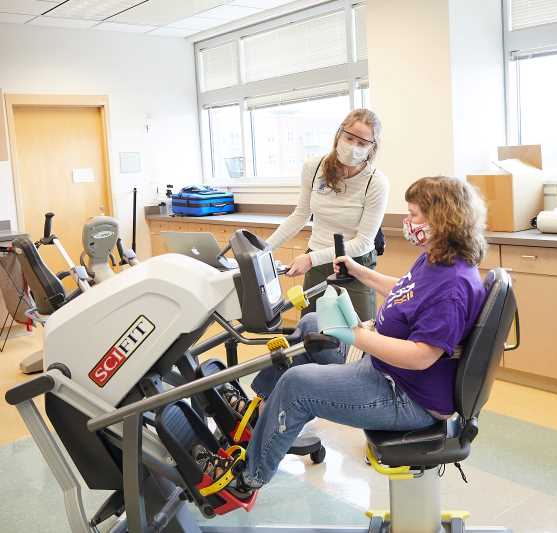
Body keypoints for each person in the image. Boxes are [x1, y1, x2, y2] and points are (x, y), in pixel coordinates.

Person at [194, 176, 489, 494]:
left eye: (414, 214)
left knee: (297, 385)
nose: (407, 221)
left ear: (442, 219)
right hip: (388, 372)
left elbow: (420, 357)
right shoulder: (437, 259)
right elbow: (405, 289)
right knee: (311, 324)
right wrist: (359, 271)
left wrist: (355, 336)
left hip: (407, 397)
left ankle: (247, 478)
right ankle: (260, 415)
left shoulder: (453, 286)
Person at [266, 108, 389, 323]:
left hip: (355, 265)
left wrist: (310, 259)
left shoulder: (376, 182)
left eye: (362, 143)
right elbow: (301, 214)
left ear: (372, 148)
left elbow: (363, 242)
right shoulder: (314, 168)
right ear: (338, 135)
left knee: (358, 335)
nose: (353, 146)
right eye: (349, 137)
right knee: (313, 329)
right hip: (316, 261)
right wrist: (263, 251)